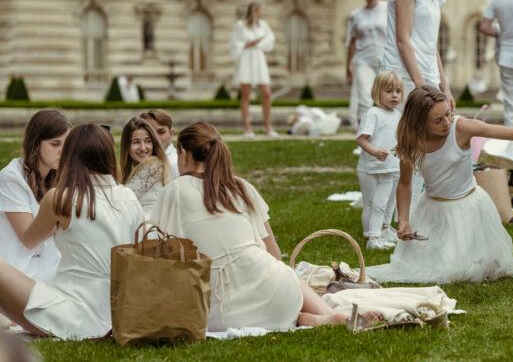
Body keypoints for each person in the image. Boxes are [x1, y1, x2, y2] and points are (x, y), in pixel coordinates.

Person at [151, 122, 382, 330]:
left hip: (216, 311)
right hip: (278, 298)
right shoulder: (241, 187)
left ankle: (309, 316)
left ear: (183, 153)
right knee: (279, 271)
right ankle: (322, 315)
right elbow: (274, 255)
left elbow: (158, 254)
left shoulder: (175, 190)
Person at [367, 86, 513, 284]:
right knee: (425, 267)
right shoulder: (411, 142)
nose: (447, 122)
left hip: (468, 207)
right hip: (432, 209)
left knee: (462, 269)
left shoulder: (461, 128)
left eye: (448, 114)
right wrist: (403, 219)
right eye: (438, 120)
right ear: (419, 123)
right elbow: (404, 183)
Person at [0, 124, 143, 339]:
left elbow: (29, 239)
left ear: (70, 156)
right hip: (119, 312)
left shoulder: (60, 197)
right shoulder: (129, 197)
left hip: (72, 314)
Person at [381, 0, 462, 110]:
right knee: (399, 135)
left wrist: (445, 88)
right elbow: (402, 40)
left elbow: (431, 45)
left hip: (428, 77)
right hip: (403, 76)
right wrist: (421, 86)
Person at [0, 110, 70, 283]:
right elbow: (28, 239)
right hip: (19, 271)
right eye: (55, 144)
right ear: (36, 144)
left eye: (66, 145)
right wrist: (66, 218)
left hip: (50, 262)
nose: (62, 151)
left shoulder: (57, 177)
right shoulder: (11, 178)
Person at [356, 71, 402, 250]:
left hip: (388, 168)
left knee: (383, 203)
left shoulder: (397, 115)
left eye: (398, 91)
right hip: (369, 168)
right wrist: (375, 152)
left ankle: (381, 231)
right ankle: (372, 238)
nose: (394, 95)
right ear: (377, 92)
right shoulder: (373, 113)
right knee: (370, 203)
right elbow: (361, 139)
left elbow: (396, 137)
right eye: (389, 91)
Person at [229, 1, 277, 139]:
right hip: (246, 58)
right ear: (255, 10)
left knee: (266, 93)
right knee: (246, 95)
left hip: (259, 58)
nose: (264, 12)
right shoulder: (240, 25)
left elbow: (270, 39)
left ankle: (268, 126)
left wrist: (260, 43)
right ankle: (248, 128)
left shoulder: (263, 25)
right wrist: (248, 43)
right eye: (262, 9)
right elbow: (233, 42)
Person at [346, 0, 388, 123]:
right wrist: (348, 65)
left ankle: (388, 137)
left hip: (386, 60)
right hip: (364, 60)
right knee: (364, 98)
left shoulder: (390, 9)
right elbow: (352, 42)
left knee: (387, 98)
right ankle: (364, 141)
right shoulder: (356, 15)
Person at [120, 117, 173, 220]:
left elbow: (120, 200)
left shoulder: (153, 166)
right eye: (136, 142)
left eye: (148, 141)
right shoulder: (154, 165)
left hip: (148, 230)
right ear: (127, 145)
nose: (143, 148)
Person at [140, 109, 179, 179]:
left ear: (171, 134)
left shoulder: (173, 165)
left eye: (161, 132)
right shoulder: (144, 158)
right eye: (150, 132)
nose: (156, 137)